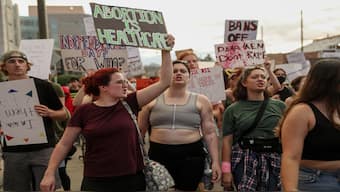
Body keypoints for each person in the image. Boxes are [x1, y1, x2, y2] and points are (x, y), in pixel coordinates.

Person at [40, 35, 175, 192]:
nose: (126, 85)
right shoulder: (85, 111)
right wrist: (50, 172)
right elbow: (64, 143)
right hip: (96, 181)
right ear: (103, 87)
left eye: (125, 81)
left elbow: (165, 81)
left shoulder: (130, 102)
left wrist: (165, 51)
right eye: (119, 82)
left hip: (132, 179)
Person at [138, 60, 221, 191]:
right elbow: (139, 133)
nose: (178, 73)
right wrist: (138, 159)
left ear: (189, 76)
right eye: (174, 71)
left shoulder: (202, 100)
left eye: (183, 71)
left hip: (191, 155)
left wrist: (216, 161)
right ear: (165, 75)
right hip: (158, 154)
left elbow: (210, 133)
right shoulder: (150, 99)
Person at [0, 50, 68, 191]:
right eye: (11, 61)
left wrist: (50, 113)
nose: (17, 65)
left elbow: (63, 115)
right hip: (13, 150)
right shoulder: (1, 90)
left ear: (27, 65)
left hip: (43, 148)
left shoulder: (44, 86)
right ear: (4, 67)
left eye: (21, 61)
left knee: (47, 188)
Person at [221, 66, 285, 191]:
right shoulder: (233, 109)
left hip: (274, 157)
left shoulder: (280, 106)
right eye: (255, 77)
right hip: (244, 157)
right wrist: (226, 171)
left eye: (263, 77)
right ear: (244, 83)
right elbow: (227, 142)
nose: (260, 79)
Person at [280, 59, 340, 191]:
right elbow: (291, 157)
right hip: (314, 180)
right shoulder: (302, 112)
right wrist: (290, 189)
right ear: (328, 81)